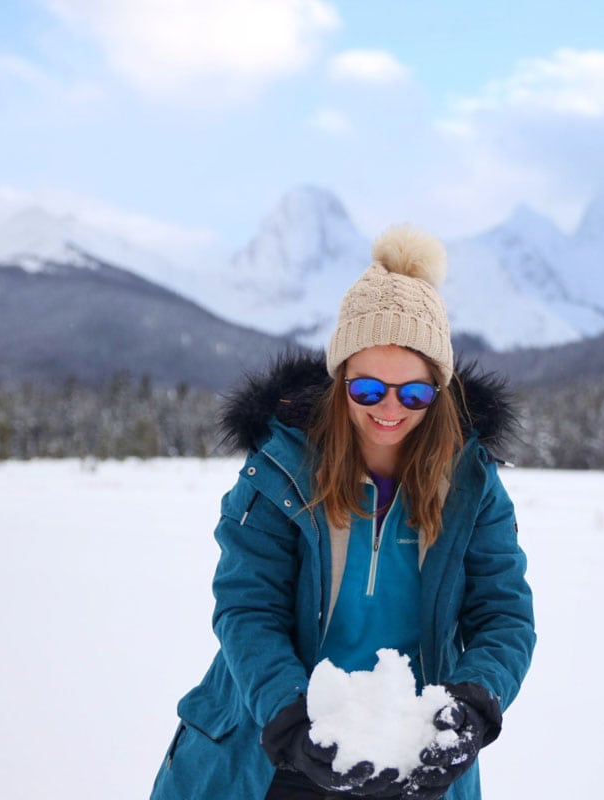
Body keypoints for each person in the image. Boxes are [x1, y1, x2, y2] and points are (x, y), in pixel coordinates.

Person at [150, 225, 536, 800]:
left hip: (415, 756)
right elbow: (247, 608)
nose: (389, 409)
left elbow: (504, 616)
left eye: (414, 394)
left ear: (438, 393)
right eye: (368, 389)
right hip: (278, 754)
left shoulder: (471, 485)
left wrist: (473, 704)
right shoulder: (279, 472)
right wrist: (290, 717)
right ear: (340, 381)